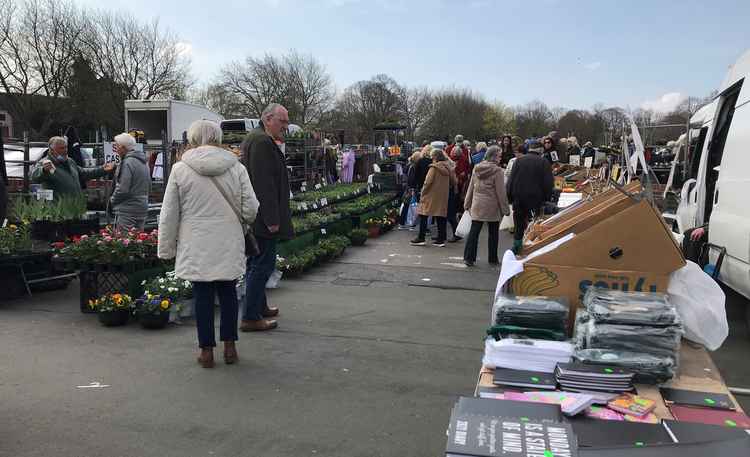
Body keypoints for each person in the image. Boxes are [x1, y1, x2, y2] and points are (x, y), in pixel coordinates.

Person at [158, 120, 259, 368]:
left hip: (196, 242)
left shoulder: (180, 170)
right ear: (218, 137)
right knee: (228, 293)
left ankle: (206, 351)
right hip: (228, 240)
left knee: (202, 295)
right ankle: (230, 347)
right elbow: (251, 208)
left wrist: (166, 248)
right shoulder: (236, 168)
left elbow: (169, 213)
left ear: (191, 139)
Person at [241, 103, 294, 332]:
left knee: (257, 263)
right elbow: (264, 185)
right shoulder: (262, 142)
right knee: (262, 264)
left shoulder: (258, 138)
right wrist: (272, 218)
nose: (285, 126)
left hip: (258, 215)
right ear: (268, 119)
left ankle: (258, 307)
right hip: (264, 217)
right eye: (282, 121)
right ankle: (251, 316)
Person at [463, 146, 510, 266]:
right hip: (492, 206)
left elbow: (471, 187)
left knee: (474, 232)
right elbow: (501, 192)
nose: (500, 158)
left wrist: (467, 202)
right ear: (494, 156)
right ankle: (492, 258)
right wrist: (505, 209)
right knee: (493, 233)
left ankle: (469, 257)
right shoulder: (498, 171)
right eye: (499, 156)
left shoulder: (476, 168)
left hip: (477, 204)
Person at [506, 144, 554, 255]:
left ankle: (517, 246)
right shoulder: (543, 162)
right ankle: (531, 249)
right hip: (535, 198)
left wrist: (509, 197)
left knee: (519, 224)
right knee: (534, 223)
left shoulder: (518, 161)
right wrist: (547, 198)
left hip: (519, 197)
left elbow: (511, 179)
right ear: (540, 151)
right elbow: (548, 183)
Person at [31, 136, 114, 198]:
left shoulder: (70, 161)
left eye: (66, 147)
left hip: (73, 207)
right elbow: (34, 176)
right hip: (57, 209)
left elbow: (84, 173)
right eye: (61, 148)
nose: (65, 150)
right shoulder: (45, 163)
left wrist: (103, 169)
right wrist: (43, 170)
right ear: (52, 150)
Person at [411, 148, 454, 247]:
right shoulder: (448, 167)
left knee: (423, 214)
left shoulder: (433, 168)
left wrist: (422, 192)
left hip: (431, 194)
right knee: (440, 216)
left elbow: (427, 182)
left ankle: (421, 238)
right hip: (443, 195)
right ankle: (441, 239)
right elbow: (453, 181)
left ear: (435, 157)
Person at [110, 133, 151, 231]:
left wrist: (112, 200)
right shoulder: (143, 162)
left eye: (117, 146)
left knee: (124, 242)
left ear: (123, 148)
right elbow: (149, 184)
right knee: (139, 241)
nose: (116, 149)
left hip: (127, 210)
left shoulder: (127, 162)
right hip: (142, 207)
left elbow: (122, 189)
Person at [398, 149, 422, 229]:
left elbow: (404, 177)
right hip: (412, 189)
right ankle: (412, 224)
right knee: (413, 207)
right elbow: (412, 179)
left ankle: (402, 223)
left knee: (406, 205)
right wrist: (413, 188)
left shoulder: (408, 165)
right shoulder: (414, 167)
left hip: (408, 188)